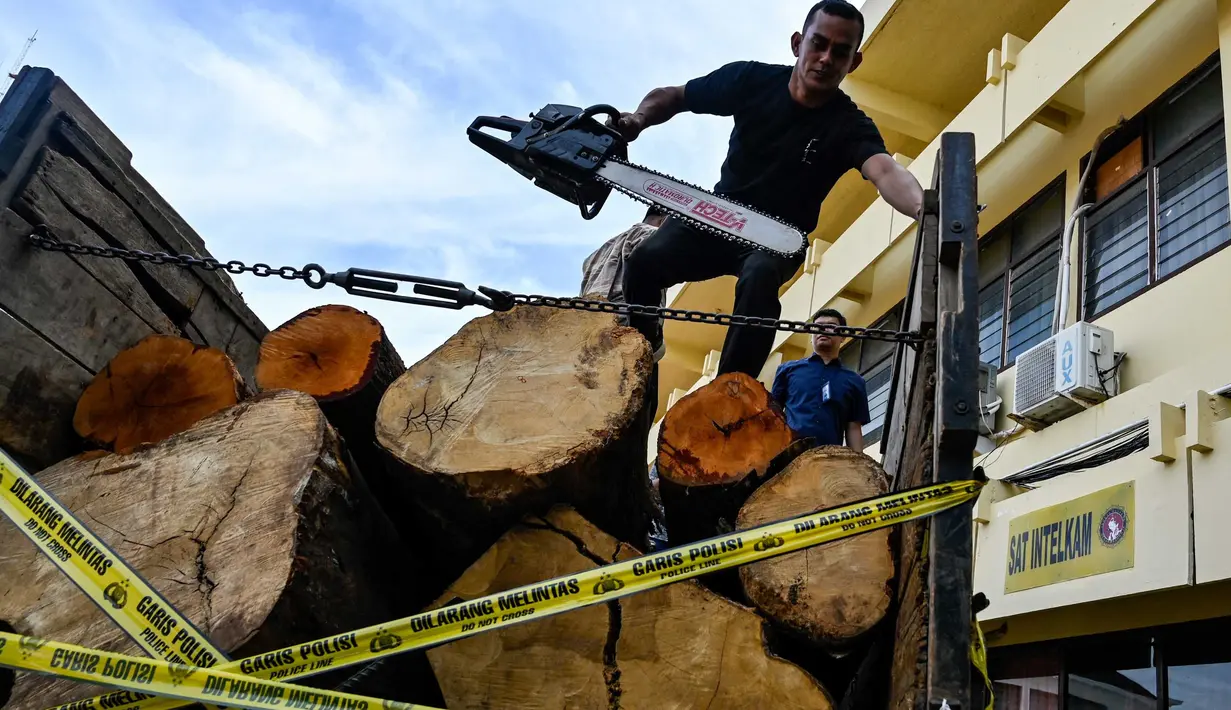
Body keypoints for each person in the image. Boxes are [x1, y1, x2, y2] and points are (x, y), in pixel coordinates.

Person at [613, 0, 924, 376]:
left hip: (776, 240)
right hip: (717, 216)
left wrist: (924, 209)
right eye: (818, 44)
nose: (826, 58)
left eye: (840, 52)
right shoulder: (751, 80)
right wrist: (638, 119)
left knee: (760, 276)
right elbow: (674, 95)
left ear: (853, 63)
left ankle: (731, 390)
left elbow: (886, 171)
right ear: (798, 43)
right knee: (644, 262)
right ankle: (644, 346)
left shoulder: (849, 125)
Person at [770, 307, 870, 451]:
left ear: (842, 337)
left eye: (831, 326)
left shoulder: (855, 381)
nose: (823, 330)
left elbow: (853, 428)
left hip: (829, 460)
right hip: (788, 455)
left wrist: (858, 466)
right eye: (817, 326)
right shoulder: (787, 370)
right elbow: (773, 416)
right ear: (811, 337)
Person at [579, 205, 668, 305]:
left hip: (588, 310)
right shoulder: (652, 234)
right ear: (665, 220)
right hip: (625, 308)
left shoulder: (597, 253)